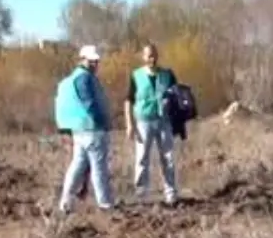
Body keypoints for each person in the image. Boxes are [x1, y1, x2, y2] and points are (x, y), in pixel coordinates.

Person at [55, 45, 114, 213]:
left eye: (96, 61)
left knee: (77, 165)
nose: (95, 64)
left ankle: (65, 203)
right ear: (82, 59)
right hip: (92, 129)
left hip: (79, 130)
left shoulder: (73, 78)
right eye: (91, 61)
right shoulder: (85, 79)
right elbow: (90, 103)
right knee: (98, 167)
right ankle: (105, 204)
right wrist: (103, 122)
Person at [124, 43, 180, 206]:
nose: (152, 59)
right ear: (143, 57)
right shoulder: (136, 76)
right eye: (149, 56)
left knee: (167, 157)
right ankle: (141, 194)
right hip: (144, 121)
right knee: (142, 157)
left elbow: (176, 96)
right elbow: (128, 100)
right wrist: (129, 123)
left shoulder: (167, 75)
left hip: (164, 120)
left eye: (154, 55)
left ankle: (171, 194)